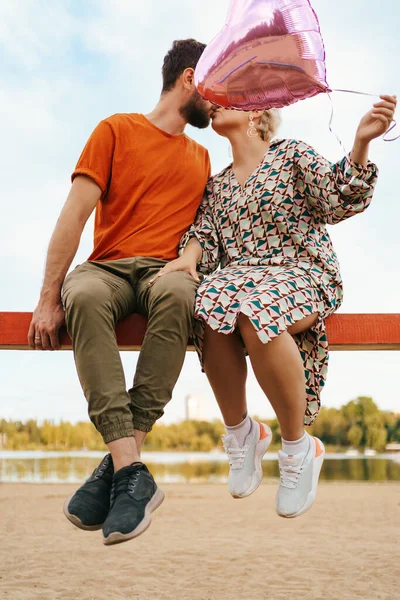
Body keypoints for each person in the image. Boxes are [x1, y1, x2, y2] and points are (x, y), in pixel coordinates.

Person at [151, 94, 397, 518]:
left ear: (256, 112)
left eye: (229, 99)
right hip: (240, 279)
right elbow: (203, 236)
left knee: (251, 307)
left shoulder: (291, 155)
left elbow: (339, 196)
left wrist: (360, 143)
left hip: (302, 271)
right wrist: (188, 259)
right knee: (206, 303)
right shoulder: (218, 184)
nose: (214, 104)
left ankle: (299, 447)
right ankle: (242, 434)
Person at [28, 39, 213, 545]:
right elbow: (74, 216)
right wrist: (48, 297)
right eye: (215, 85)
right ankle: (133, 470)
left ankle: (119, 466)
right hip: (105, 269)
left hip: (163, 272)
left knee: (181, 293)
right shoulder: (116, 129)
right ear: (191, 79)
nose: (220, 102)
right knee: (80, 295)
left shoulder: (202, 159)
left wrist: (189, 258)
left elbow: (206, 228)